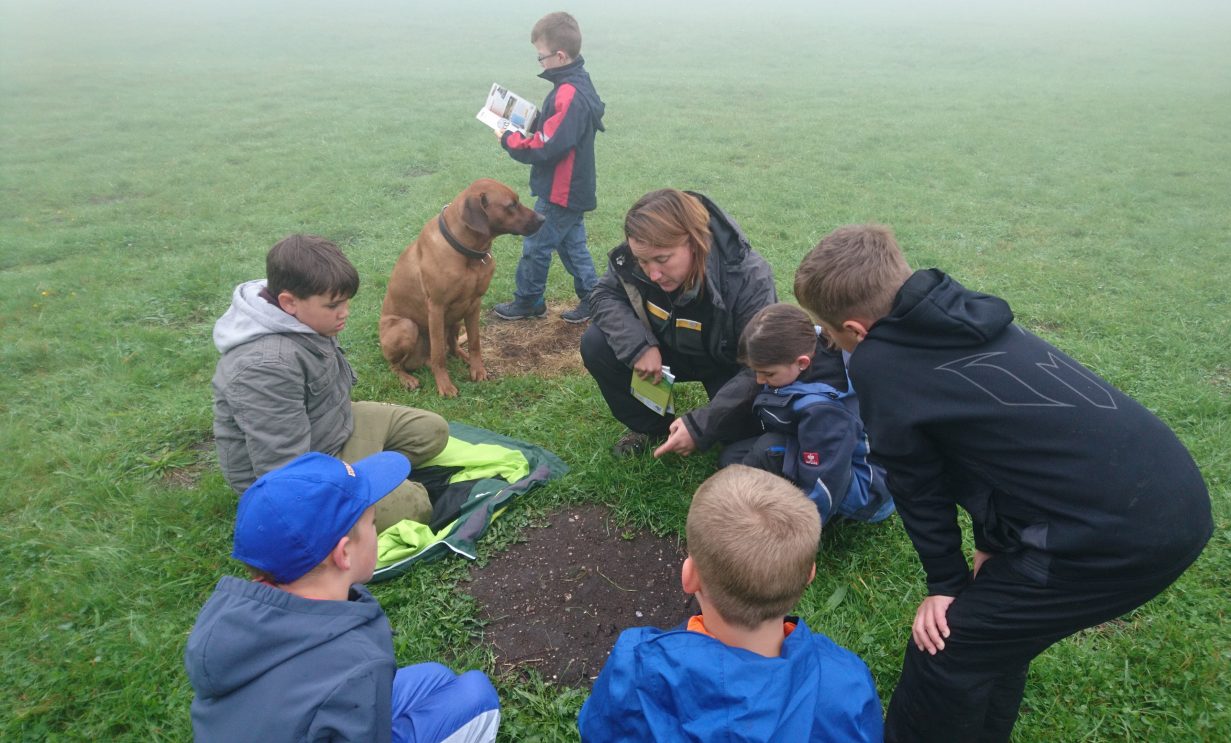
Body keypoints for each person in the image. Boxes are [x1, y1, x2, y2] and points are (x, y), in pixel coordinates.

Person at [794, 224, 1214, 742]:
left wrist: (946, 585)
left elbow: (916, 483)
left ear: (856, 330)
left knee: (948, 648)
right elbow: (995, 451)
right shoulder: (961, 317)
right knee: (993, 638)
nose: (833, 345)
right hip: (1165, 494)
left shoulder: (882, 363)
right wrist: (995, 546)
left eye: (831, 335)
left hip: (1119, 537)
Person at [185, 451, 501, 742]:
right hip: (333, 705)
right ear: (344, 553)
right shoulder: (357, 665)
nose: (377, 532)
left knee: (436, 677)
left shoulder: (229, 614)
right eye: (373, 523)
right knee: (479, 697)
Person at [577, 465, 885, 741]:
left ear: (690, 577)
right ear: (809, 575)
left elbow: (600, 731)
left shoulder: (636, 668)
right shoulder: (846, 683)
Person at [212, 234, 448, 529]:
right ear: (288, 302)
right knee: (415, 507)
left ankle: (365, 474)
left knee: (432, 432)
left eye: (346, 301)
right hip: (301, 472)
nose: (345, 312)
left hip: (333, 428)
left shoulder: (301, 310)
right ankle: (365, 485)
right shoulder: (263, 367)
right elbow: (283, 473)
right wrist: (343, 480)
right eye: (334, 305)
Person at [581, 188, 776, 457]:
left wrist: (700, 426)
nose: (654, 273)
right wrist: (639, 346)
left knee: (741, 440)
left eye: (663, 259)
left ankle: (711, 427)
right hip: (665, 351)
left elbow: (759, 367)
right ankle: (652, 428)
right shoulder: (645, 250)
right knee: (596, 343)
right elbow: (604, 294)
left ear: (696, 242)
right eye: (643, 261)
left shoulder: (749, 278)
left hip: (727, 363)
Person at [723, 302, 895, 525]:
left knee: (767, 450)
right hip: (826, 448)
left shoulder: (824, 413)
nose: (759, 380)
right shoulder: (805, 344)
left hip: (864, 493)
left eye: (768, 373)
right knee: (732, 460)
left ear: (802, 363)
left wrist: (800, 531)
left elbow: (825, 483)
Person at [492, 11, 606, 324]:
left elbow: (549, 144)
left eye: (540, 57)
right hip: (572, 187)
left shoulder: (569, 91)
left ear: (559, 55)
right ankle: (595, 300)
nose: (539, 62)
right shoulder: (574, 82)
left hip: (563, 189)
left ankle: (528, 301)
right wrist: (528, 119)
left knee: (536, 245)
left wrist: (511, 139)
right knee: (573, 247)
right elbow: (559, 127)